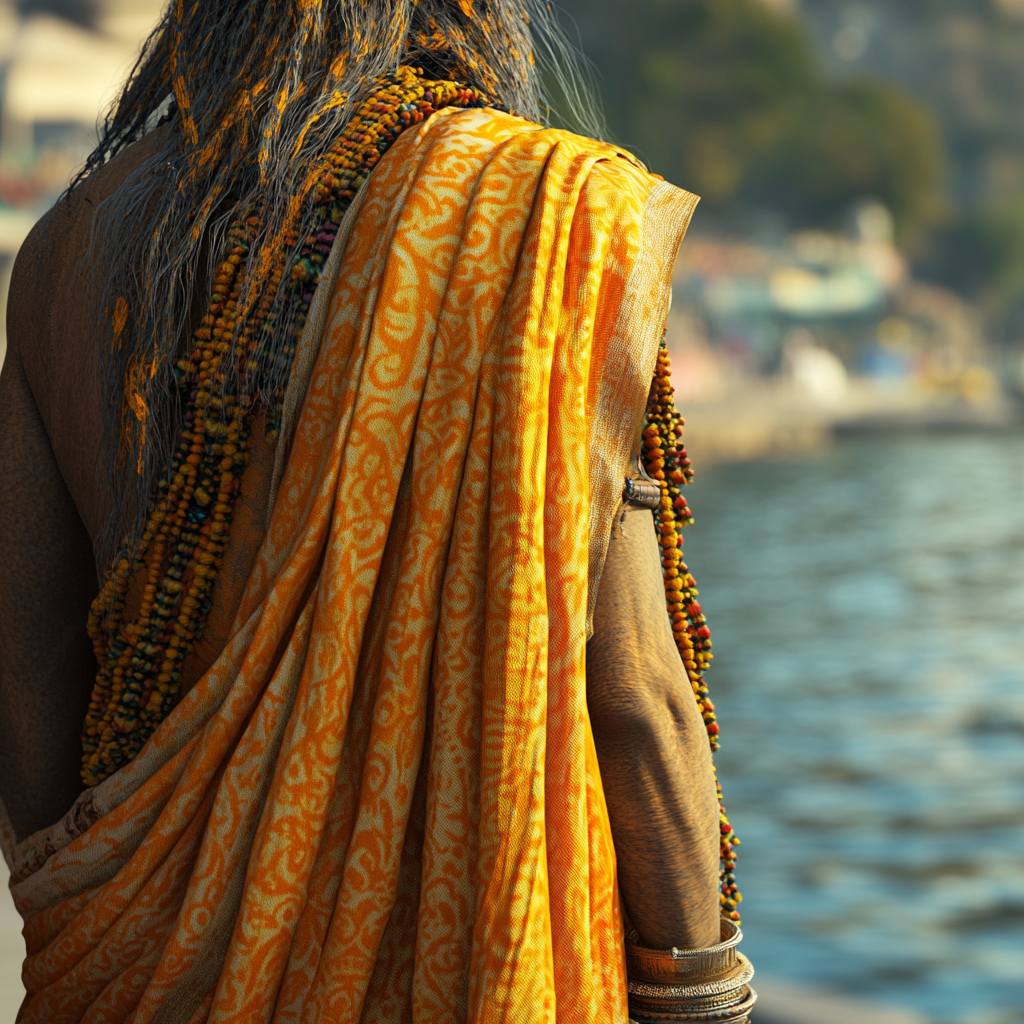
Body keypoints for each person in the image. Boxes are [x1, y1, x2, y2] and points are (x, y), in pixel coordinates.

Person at [0, 2, 752, 1021]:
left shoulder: (65, 243)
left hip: (137, 978)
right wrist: (702, 992)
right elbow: (636, 696)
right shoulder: (526, 218)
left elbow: (25, 668)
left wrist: (133, 905)